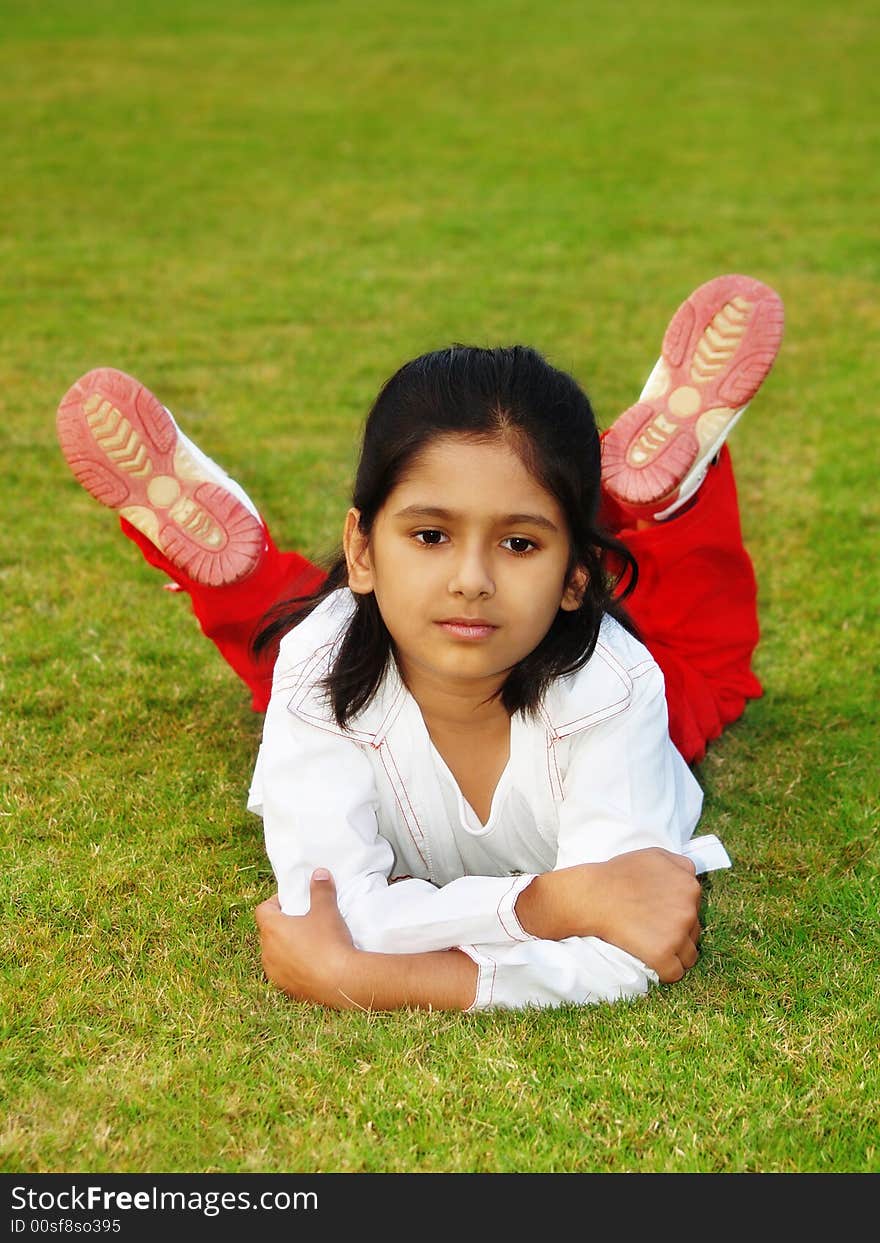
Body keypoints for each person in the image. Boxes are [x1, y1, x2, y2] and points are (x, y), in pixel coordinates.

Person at [56, 273, 784, 1012]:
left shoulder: (614, 685)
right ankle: (650, 504)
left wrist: (363, 975)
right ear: (362, 548)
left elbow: (635, 944)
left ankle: (654, 496)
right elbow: (336, 912)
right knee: (309, 641)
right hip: (358, 643)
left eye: (520, 543)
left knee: (697, 674)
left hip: (560, 657)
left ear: (575, 579)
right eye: (431, 534)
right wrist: (558, 902)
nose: (471, 579)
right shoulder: (313, 668)